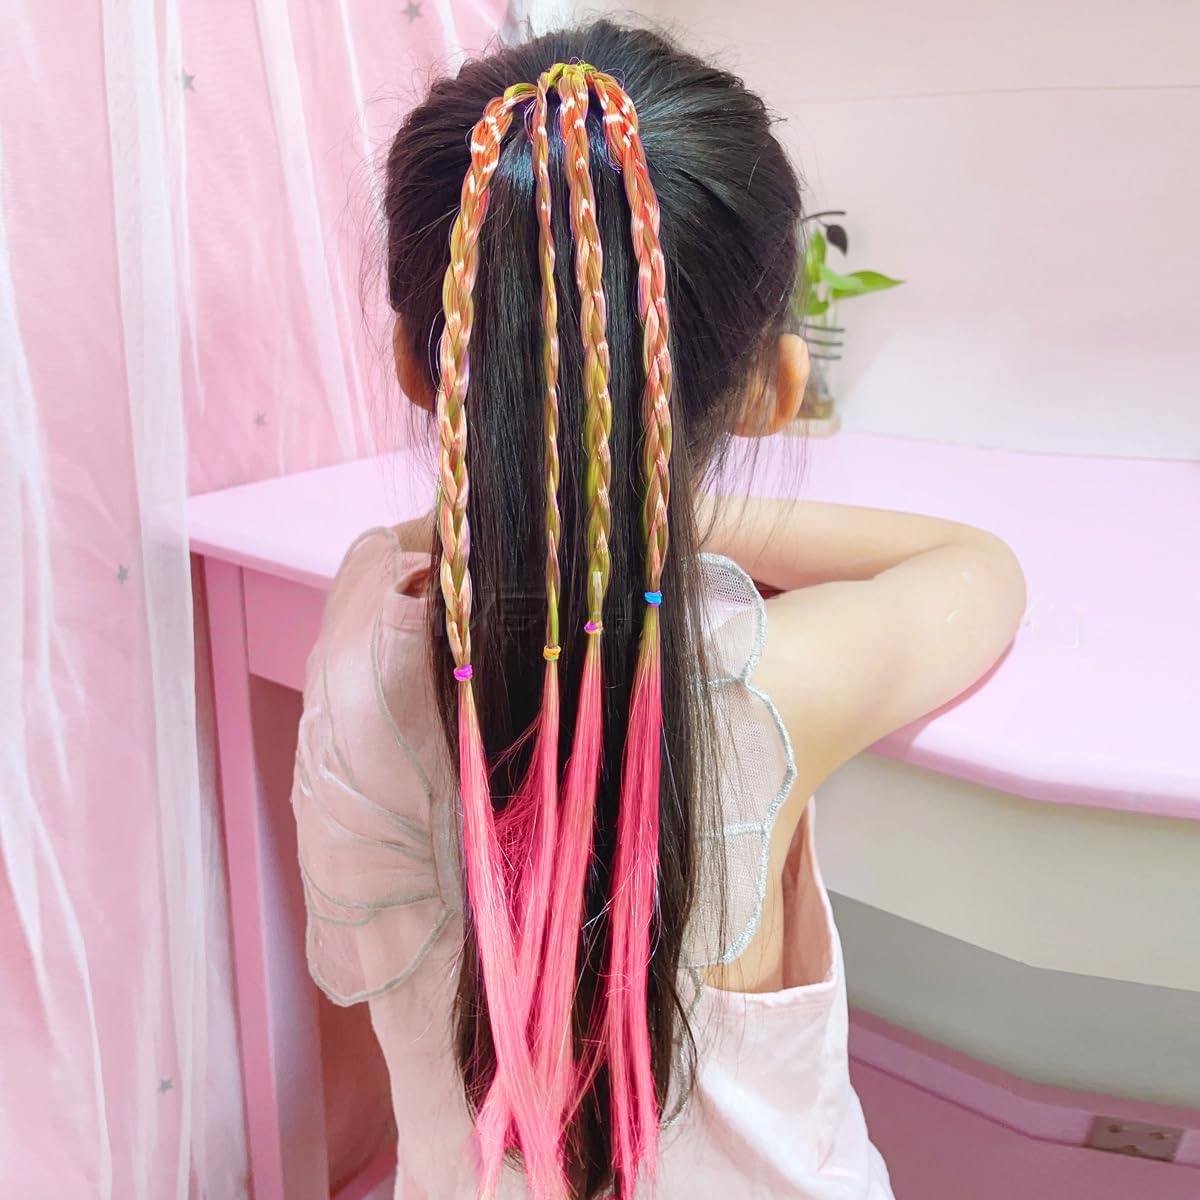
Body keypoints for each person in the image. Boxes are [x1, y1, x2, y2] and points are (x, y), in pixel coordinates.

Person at [290, 21, 1025, 1200]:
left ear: (418, 368)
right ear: (775, 388)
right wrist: (639, 497)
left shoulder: (354, 613)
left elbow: (439, 538)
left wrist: (562, 486)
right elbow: (977, 571)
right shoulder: (759, 686)